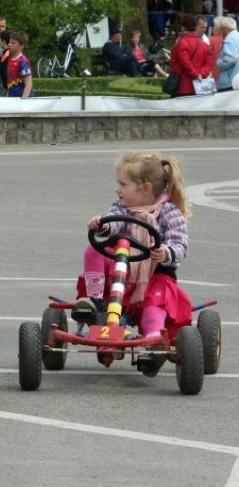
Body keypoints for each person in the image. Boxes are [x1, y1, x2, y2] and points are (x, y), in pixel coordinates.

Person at [71, 152, 191, 375]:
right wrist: (102, 226)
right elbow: (113, 225)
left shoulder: (170, 213)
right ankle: (95, 303)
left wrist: (165, 252)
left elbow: (180, 245)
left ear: (145, 188)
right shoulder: (121, 207)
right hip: (122, 273)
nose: (118, 189)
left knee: (154, 306)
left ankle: (153, 341)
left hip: (155, 275)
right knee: (93, 251)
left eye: (123, 184)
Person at [169, 15, 212, 98]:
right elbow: (208, 63)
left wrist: (195, 74)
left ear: (184, 28)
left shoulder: (182, 42)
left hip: (184, 85)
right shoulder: (204, 45)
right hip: (201, 85)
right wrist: (201, 74)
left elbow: (185, 63)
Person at [5, 31, 35, 98]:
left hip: (21, 100)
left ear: (21, 46)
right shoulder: (9, 59)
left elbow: (28, 83)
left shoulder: (23, 62)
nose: (9, 44)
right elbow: (10, 83)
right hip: (12, 98)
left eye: (13, 43)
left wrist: (23, 100)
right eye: (9, 42)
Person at [216, 16, 239, 91]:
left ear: (225, 28)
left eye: (221, 28)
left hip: (229, 80)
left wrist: (219, 63)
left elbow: (232, 57)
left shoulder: (229, 39)